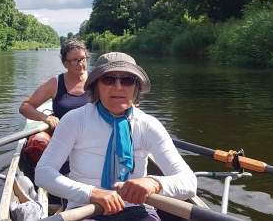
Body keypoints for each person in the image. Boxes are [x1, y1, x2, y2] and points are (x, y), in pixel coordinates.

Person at [35, 52, 197, 220]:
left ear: (136, 87)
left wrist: (154, 183)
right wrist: (91, 193)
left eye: (127, 80)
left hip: (136, 211)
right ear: (97, 85)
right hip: (86, 210)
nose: (118, 87)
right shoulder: (74, 120)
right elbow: (43, 172)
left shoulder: (148, 124)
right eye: (109, 79)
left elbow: (189, 182)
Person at [19, 39, 90, 129]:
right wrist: (45, 117)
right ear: (64, 63)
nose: (80, 64)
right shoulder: (54, 84)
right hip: (65, 137)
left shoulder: (98, 80)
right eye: (74, 60)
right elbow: (24, 107)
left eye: (83, 59)